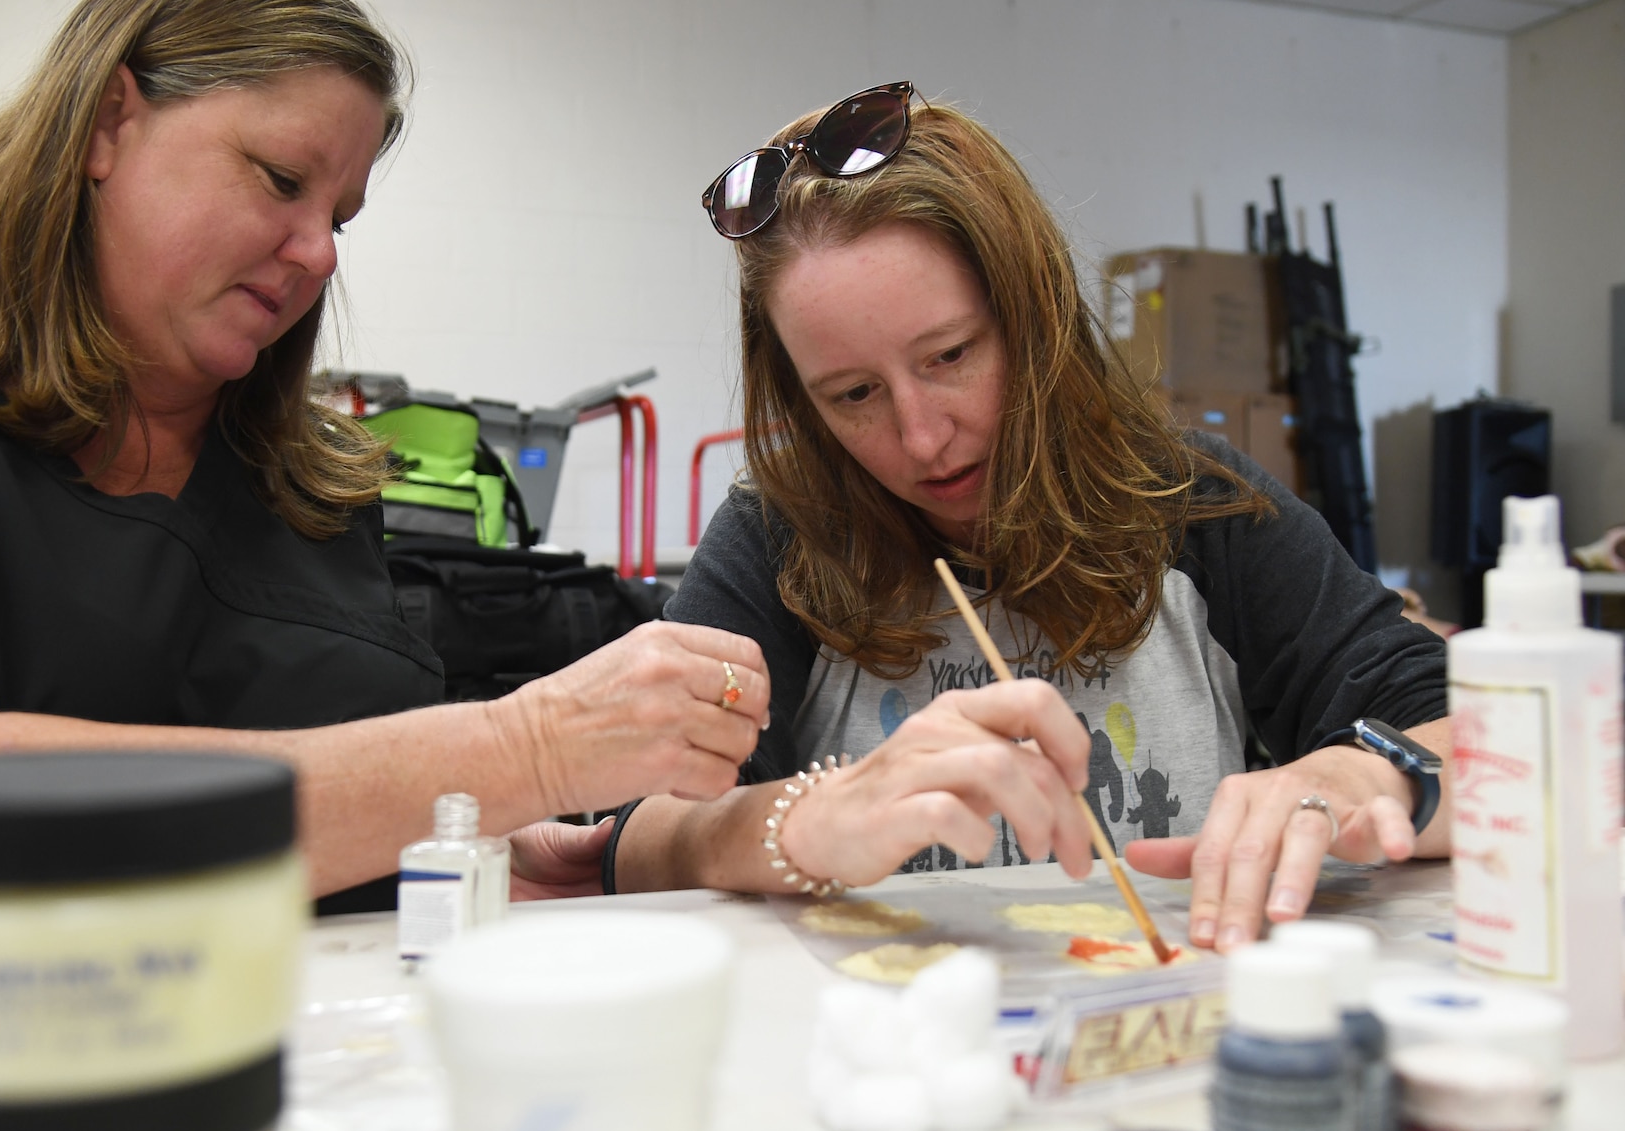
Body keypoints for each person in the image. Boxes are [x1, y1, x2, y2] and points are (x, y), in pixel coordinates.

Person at [0, 0, 770, 960]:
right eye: (279, 180)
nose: (319, 253)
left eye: (341, 215)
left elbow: (304, 827)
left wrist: (447, 847)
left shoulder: (304, 492)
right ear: (108, 122)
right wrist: (518, 748)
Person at [601, 85, 1450, 951]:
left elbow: (1483, 741)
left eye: (951, 355)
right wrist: (803, 819)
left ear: (1033, 317)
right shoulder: (781, 536)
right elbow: (631, 836)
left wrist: (1361, 771)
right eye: (853, 394)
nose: (923, 437)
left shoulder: (1192, 506)